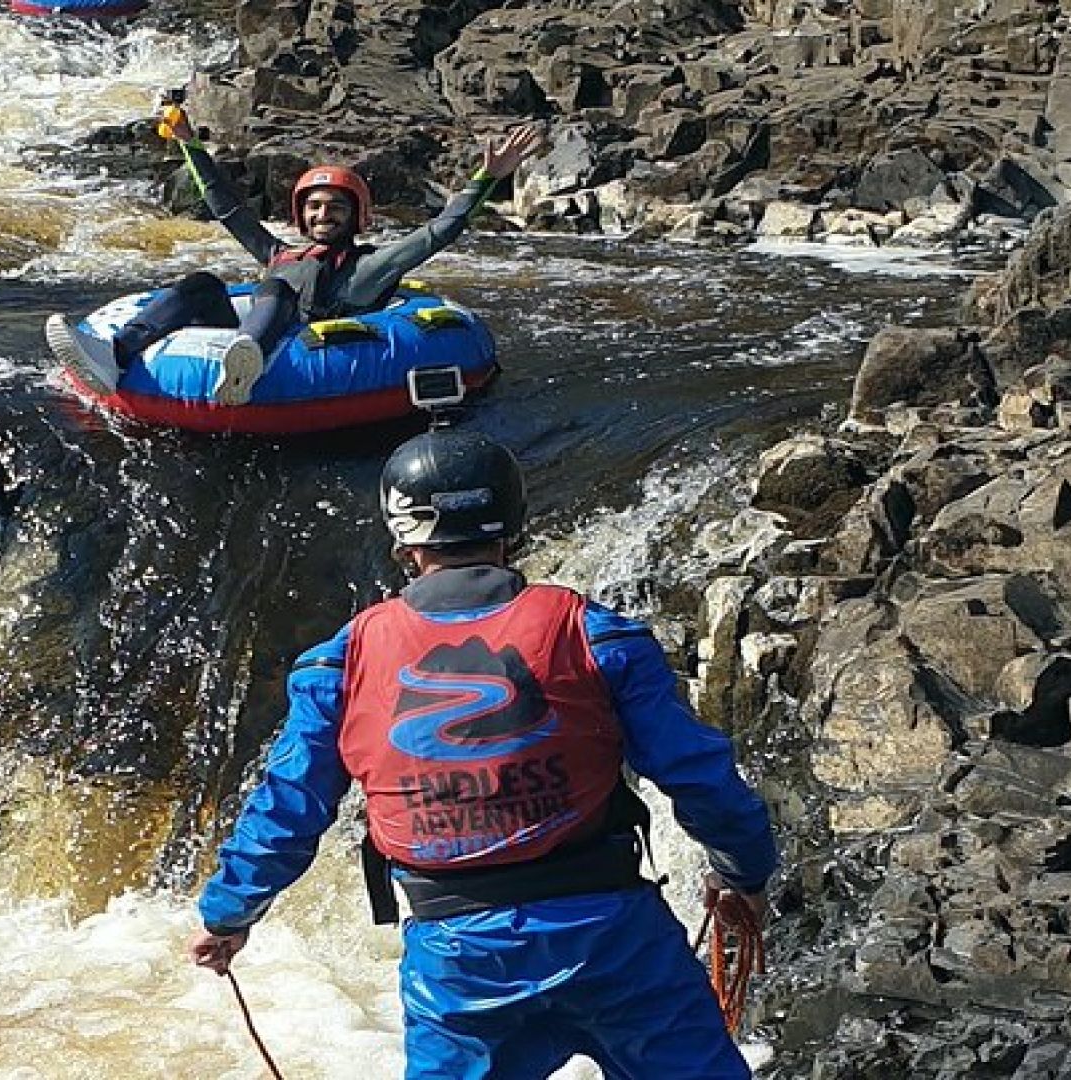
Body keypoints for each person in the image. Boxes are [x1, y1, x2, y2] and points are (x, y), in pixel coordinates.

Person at [186, 426, 780, 1079]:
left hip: (460, 963)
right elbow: (697, 772)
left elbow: (289, 805)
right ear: (513, 525)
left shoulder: (339, 664)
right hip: (615, 941)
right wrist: (741, 874)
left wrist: (229, 914)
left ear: (403, 540)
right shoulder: (597, 636)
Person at [46, 114, 543, 406]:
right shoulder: (279, 253)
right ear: (302, 216)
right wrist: (190, 145)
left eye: (336, 207)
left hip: (298, 346)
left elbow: (438, 232)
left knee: (277, 290)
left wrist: (485, 179)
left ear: (357, 218)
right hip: (254, 328)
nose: (324, 213)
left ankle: (246, 361)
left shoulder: (367, 268)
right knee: (201, 283)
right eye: (315, 206)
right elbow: (226, 207)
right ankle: (116, 355)